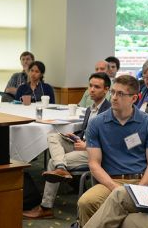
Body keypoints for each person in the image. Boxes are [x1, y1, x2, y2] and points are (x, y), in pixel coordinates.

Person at [74, 75, 148, 226]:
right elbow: (94, 164)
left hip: (140, 181)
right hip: (110, 181)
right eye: (113, 92)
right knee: (85, 202)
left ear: (134, 98)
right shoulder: (97, 123)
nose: (114, 97)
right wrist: (114, 188)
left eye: (120, 94)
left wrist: (140, 188)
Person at [27, 73, 113, 219]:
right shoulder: (89, 109)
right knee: (53, 135)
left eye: (96, 87)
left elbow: (110, 141)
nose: (91, 90)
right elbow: (86, 131)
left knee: (51, 162)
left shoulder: (110, 111)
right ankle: (61, 168)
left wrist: (87, 146)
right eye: (90, 86)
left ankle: (45, 207)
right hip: (81, 143)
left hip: (94, 152)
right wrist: (75, 137)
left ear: (106, 90)